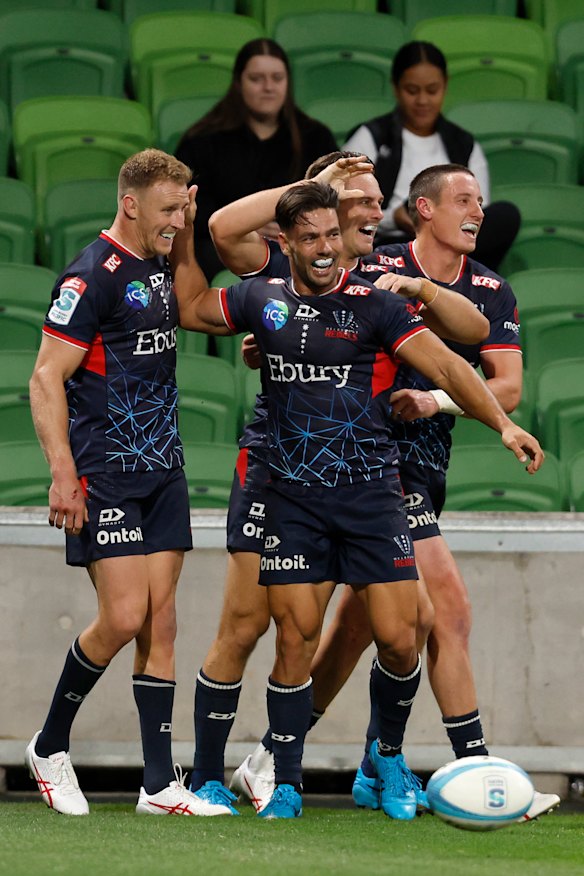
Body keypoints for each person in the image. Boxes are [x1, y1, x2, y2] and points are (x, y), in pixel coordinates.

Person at [171, 179, 543, 820]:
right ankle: (284, 779)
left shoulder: (376, 303)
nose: (323, 248)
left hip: (372, 493)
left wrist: (504, 424)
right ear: (285, 241)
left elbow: (453, 365)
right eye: (309, 236)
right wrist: (181, 232)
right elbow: (192, 306)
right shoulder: (262, 298)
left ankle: (385, 758)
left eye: (331, 236)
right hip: (292, 496)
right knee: (294, 635)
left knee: (403, 636)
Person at [26, 149, 231, 817]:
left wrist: (189, 231)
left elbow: (197, 305)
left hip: (163, 467)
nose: (177, 219)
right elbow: (44, 377)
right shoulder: (91, 276)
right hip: (105, 469)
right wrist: (63, 473)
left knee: (163, 622)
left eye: (183, 207)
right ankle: (50, 744)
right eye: (168, 209)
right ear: (131, 203)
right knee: (124, 616)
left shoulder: (162, 260)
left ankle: (156, 785)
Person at [344, 41, 520, 272]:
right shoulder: (371, 137)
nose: (423, 101)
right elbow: (343, 210)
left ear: (445, 86)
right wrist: (394, 218)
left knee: (505, 215)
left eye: (432, 90)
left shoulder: (464, 145)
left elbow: (478, 215)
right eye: (412, 91)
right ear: (396, 88)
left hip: (451, 245)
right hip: (393, 248)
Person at [175, 38, 337, 282]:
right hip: (220, 249)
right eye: (256, 78)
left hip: (296, 244)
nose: (268, 87)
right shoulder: (201, 140)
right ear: (239, 83)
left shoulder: (316, 138)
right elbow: (186, 207)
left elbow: (332, 199)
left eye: (277, 78)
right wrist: (246, 226)